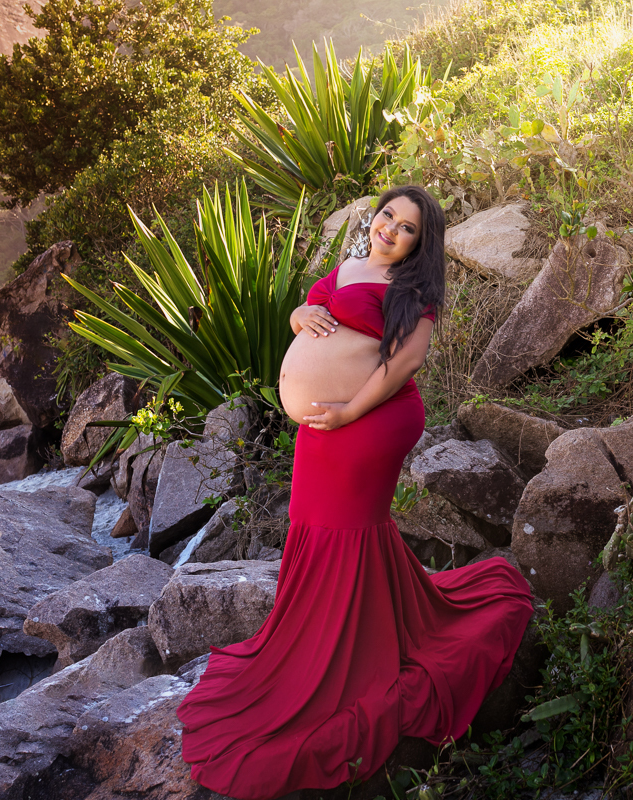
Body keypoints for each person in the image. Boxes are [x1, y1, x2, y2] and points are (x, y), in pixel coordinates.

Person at [176, 185, 534, 800]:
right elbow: (309, 311)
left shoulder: (415, 295)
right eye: (388, 215)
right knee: (316, 522)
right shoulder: (348, 268)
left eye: (408, 228)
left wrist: (346, 413)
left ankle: (345, 654)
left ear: (423, 244)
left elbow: (399, 367)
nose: (391, 229)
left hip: (371, 421)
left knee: (346, 526)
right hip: (326, 427)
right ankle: (346, 627)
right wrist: (298, 317)